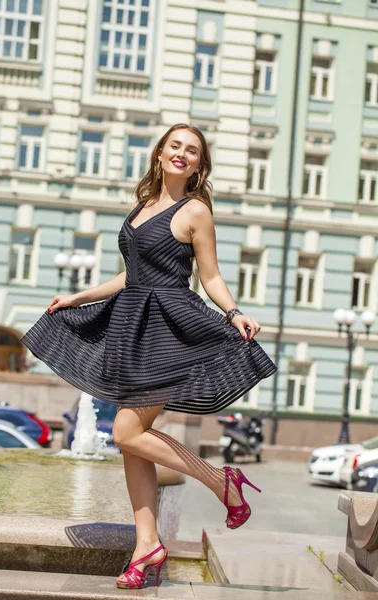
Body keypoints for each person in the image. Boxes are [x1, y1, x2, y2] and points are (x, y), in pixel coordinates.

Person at [21, 123, 277, 590]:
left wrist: (235, 311)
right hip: (131, 327)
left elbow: (210, 275)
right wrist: (79, 298)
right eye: (175, 146)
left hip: (167, 329)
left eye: (192, 151)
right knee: (131, 438)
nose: (182, 154)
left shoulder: (195, 210)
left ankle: (223, 481)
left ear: (199, 164)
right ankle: (147, 546)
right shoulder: (143, 207)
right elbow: (129, 276)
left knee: (126, 430)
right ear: (160, 152)